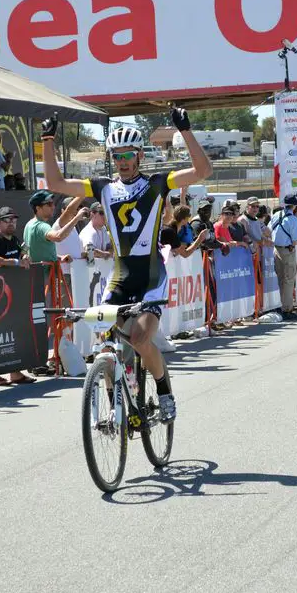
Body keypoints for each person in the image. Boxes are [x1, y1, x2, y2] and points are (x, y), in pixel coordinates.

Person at [39, 106, 212, 422]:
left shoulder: (158, 183)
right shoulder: (102, 187)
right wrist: (48, 139)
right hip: (119, 277)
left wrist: (185, 130)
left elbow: (202, 171)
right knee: (106, 345)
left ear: (139, 156)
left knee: (140, 339)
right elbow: (55, 182)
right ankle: (116, 405)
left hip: (149, 275)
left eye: (128, 154)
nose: (122, 161)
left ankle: (163, 391)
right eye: (116, 155)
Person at [0, 206, 36, 387]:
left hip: (14, 294)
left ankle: (14, 373)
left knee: (13, 333)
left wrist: (25, 256)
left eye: (14, 219)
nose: (12, 222)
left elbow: (23, 251)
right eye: (7, 220)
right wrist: (15, 262)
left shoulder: (15, 239)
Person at [270, 194, 297, 319]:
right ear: (294, 206)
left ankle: (282, 305)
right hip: (288, 250)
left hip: (276, 249)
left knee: (281, 280)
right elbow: (295, 239)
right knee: (289, 280)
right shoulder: (293, 219)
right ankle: (287, 309)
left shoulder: (275, 215)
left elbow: (270, 231)